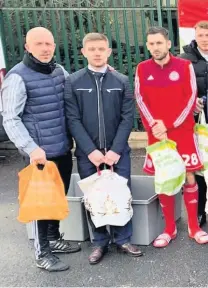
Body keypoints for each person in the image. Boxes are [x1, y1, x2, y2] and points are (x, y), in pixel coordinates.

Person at [1, 27, 80, 272]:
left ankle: (54, 238)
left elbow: (72, 90)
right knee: (41, 204)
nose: (45, 49)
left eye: (49, 43)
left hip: (62, 147)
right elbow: (10, 118)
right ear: (27, 47)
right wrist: (31, 148)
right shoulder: (17, 77)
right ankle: (41, 252)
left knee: (58, 197)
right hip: (39, 155)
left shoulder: (58, 71)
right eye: (39, 44)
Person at [64, 32, 142, 264]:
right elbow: (72, 119)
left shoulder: (122, 81)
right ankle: (99, 242)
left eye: (101, 49)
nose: (97, 53)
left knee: (121, 194)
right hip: (89, 155)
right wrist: (91, 151)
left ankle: (123, 238)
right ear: (84, 52)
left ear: (109, 52)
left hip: (118, 153)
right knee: (94, 198)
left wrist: (116, 150)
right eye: (92, 49)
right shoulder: (73, 82)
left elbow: (127, 118)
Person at [135, 26, 208, 248]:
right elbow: (140, 100)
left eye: (159, 43)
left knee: (189, 177)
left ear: (168, 44)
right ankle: (169, 228)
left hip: (181, 131)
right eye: (151, 44)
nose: (155, 47)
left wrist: (168, 125)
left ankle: (194, 227)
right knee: (164, 179)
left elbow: (190, 99)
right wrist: (155, 126)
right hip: (157, 134)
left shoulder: (184, 66)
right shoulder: (142, 68)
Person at [178, 20, 208, 228]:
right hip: (195, 121)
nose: (204, 40)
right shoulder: (183, 59)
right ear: (195, 36)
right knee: (198, 166)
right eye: (200, 36)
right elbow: (178, 90)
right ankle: (200, 212)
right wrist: (191, 102)